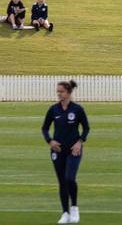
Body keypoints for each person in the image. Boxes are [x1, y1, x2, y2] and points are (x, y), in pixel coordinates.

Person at [42, 79, 90, 224]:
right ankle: (65, 213)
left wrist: (79, 142)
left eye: (61, 91)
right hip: (58, 151)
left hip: (73, 150)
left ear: (68, 92)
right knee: (62, 182)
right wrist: (50, 141)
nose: (58, 94)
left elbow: (86, 128)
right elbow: (44, 128)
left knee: (70, 178)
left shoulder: (77, 109)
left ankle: (74, 207)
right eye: (57, 91)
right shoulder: (53, 109)